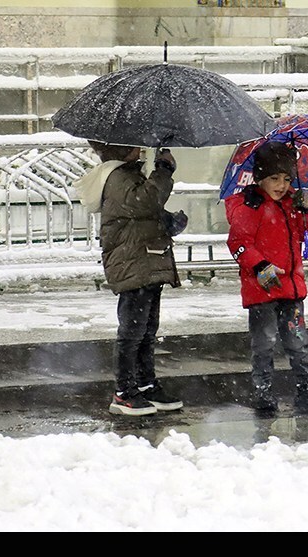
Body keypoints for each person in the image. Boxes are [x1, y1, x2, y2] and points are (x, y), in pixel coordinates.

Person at [75, 141, 184, 417]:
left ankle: (145, 384)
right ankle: (124, 391)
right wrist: (163, 170)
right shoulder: (117, 177)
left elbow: (141, 213)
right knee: (132, 332)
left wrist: (166, 221)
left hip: (146, 260)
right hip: (134, 263)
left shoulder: (128, 175)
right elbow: (144, 201)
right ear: (122, 149)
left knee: (146, 330)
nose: (140, 147)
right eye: (134, 145)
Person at [225, 141, 308, 413]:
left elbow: (306, 232)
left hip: (291, 288)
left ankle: (306, 391)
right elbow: (238, 242)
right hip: (263, 287)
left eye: (287, 178)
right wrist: (260, 266)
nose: (281, 185)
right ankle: (263, 393)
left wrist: (307, 210)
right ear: (260, 178)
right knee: (264, 344)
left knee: (298, 343)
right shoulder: (251, 205)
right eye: (274, 178)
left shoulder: (292, 202)